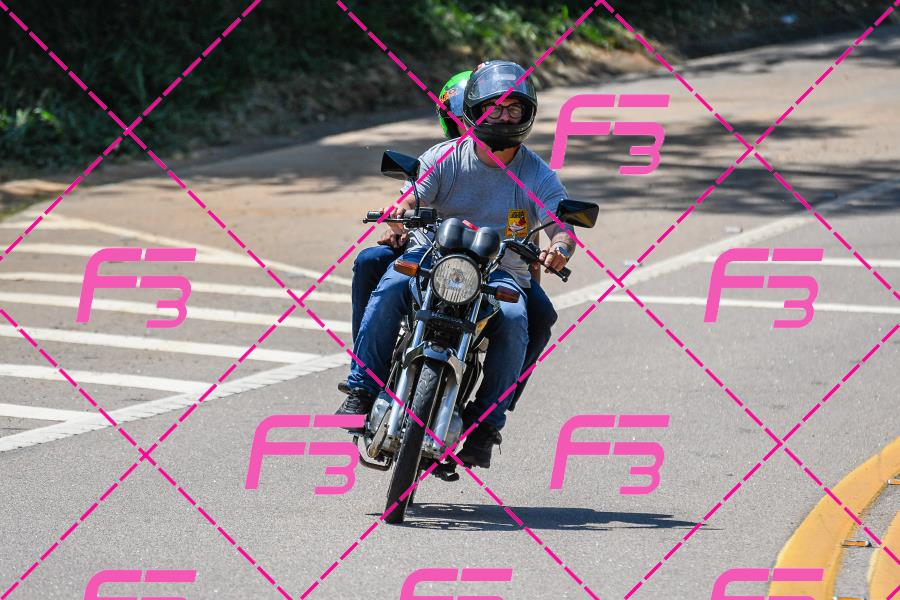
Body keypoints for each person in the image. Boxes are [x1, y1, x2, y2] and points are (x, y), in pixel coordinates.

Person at [338, 60, 575, 468]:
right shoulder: (444, 156)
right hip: (432, 257)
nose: (504, 117)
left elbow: (561, 225)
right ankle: (361, 389)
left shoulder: (538, 175)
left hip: (500, 272)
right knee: (391, 285)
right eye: (494, 108)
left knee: (517, 319)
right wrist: (397, 215)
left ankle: (487, 425)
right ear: (475, 110)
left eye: (513, 109)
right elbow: (410, 197)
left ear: (527, 114)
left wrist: (560, 246)